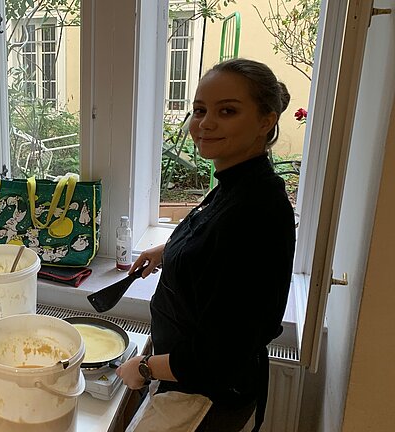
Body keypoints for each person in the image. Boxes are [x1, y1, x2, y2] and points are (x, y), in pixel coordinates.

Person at [116, 58, 296, 432]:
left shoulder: (255, 212)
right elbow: (212, 244)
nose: (205, 124)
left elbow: (219, 354)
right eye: (200, 110)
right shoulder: (238, 183)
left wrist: (145, 368)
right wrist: (166, 252)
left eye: (227, 111)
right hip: (184, 379)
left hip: (203, 395)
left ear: (267, 120)